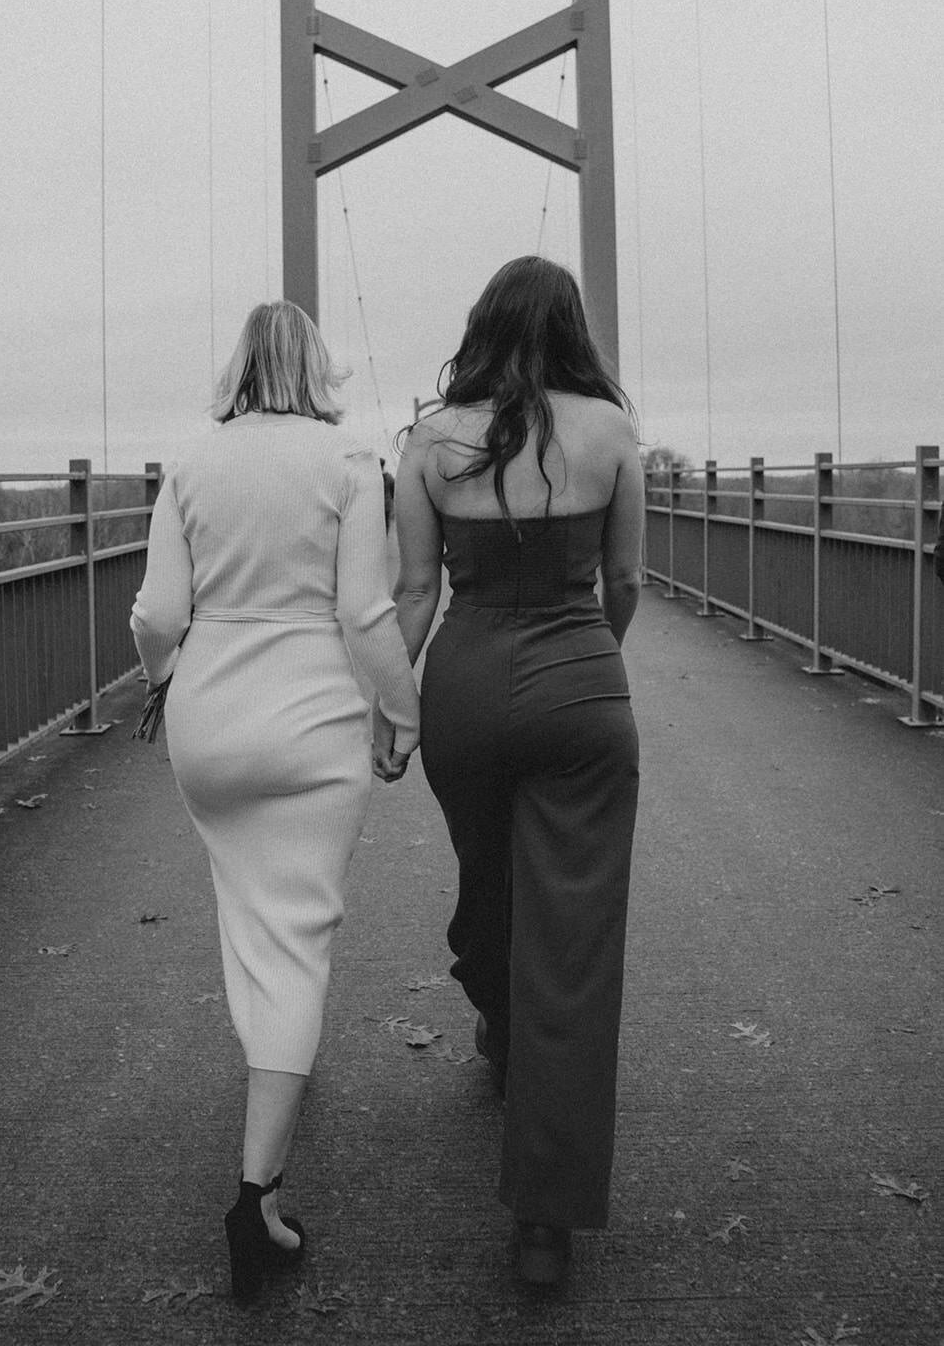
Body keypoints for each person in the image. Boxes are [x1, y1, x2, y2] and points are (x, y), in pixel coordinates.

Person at [130, 301, 418, 1306]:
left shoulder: (190, 463)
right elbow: (363, 611)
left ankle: (271, 1076)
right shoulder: (348, 463)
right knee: (296, 938)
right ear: (316, 367)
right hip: (311, 724)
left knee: (245, 912)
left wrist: (161, 674)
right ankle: (255, 1197)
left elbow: (157, 613)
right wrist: (401, 708)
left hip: (210, 724)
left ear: (239, 366)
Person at [386, 255, 643, 1286]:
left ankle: (492, 1004)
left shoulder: (428, 441)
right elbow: (623, 578)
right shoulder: (611, 432)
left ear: (480, 326)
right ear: (574, 328)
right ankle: (541, 1222)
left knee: (488, 879)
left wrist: (385, 706)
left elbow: (410, 593)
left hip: (465, 685)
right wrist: (592, 654)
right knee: (571, 942)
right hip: (580, 682)